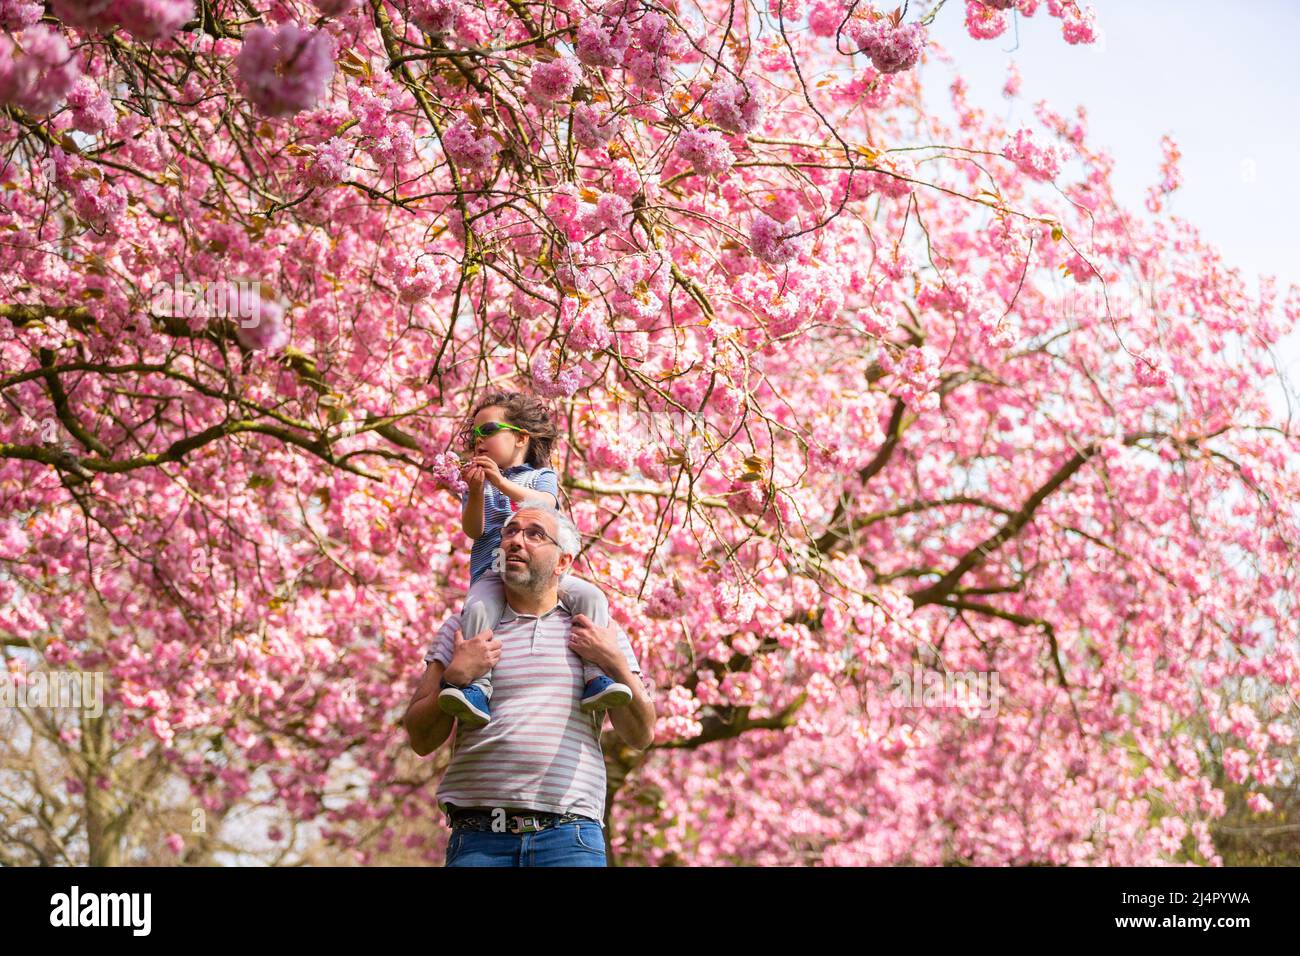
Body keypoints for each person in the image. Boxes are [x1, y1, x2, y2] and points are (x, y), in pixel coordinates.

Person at [403, 503, 657, 867]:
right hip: (478, 840)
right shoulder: (462, 630)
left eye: (534, 534)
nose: (515, 541)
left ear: (563, 563)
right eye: (510, 532)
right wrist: (454, 677)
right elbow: (420, 738)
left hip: (569, 838)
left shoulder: (596, 633)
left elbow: (641, 733)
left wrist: (613, 661)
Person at [440, 389, 632, 728]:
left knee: (590, 595)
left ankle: (594, 677)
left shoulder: (538, 476)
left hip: (541, 574)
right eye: (473, 434)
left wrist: (499, 482)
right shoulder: (478, 484)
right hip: (492, 571)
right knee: (479, 607)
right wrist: (474, 492)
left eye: (487, 431)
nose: (477, 440)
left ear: (520, 438)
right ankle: (477, 688)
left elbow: (544, 504)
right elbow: (474, 529)